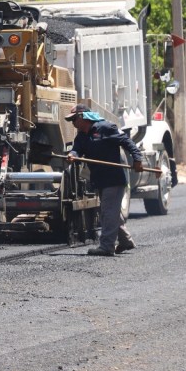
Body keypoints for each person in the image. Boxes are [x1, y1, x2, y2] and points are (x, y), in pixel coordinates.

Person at [65, 103, 144, 256]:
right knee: (109, 212)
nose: (72, 123)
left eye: (74, 119)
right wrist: (72, 156)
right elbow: (76, 150)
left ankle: (107, 246)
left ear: (82, 117)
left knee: (108, 212)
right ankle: (126, 241)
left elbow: (127, 142)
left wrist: (137, 159)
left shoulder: (106, 128)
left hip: (114, 179)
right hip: (99, 179)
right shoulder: (81, 136)